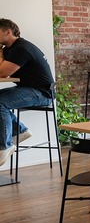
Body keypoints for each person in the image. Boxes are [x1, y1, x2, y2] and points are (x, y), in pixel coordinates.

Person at [0, 18, 56, 165]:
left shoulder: (21, 48)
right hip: (28, 89)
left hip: (42, 93)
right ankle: (20, 131)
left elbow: (2, 73)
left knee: (0, 103)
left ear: (7, 32)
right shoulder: (9, 49)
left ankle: (4, 146)